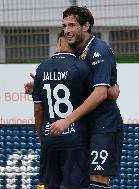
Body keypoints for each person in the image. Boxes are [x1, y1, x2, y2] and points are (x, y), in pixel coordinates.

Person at [49, 6, 124, 189]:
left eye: (72, 25)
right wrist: (39, 85)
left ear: (86, 26)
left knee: (97, 179)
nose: (67, 30)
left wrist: (67, 121)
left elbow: (100, 94)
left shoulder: (99, 50)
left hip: (103, 123)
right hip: (81, 125)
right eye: (65, 25)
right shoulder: (71, 48)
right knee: (75, 180)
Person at [32, 31, 92, 189]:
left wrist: (41, 136)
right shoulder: (82, 68)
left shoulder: (42, 68)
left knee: (46, 185)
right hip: (75, 139)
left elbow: (38, 110)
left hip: (50, 137)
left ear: (59, 42)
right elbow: (92, 102)